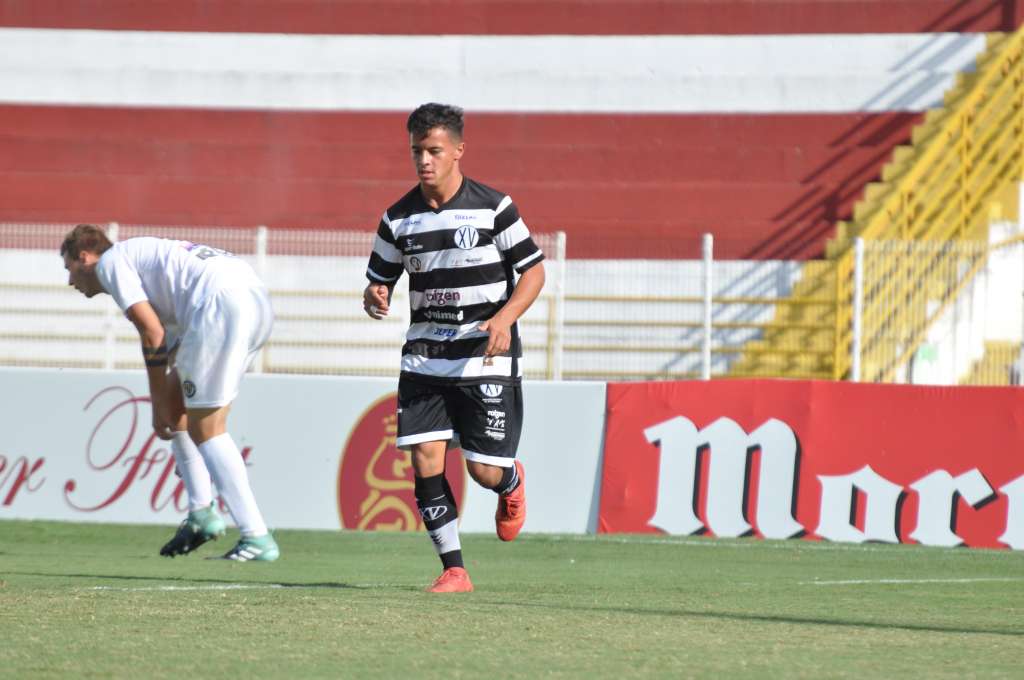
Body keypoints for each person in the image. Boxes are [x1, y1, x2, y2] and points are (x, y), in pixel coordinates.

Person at [363, 103, 546, 593]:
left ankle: (509, 483)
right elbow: (379, 279)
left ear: (458, 152)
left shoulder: (493, 207)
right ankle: (454, 568)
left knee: (484, 472)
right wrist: (375, 295)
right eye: (417, 151)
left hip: (484, 355)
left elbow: (534, 271)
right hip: (425, 358)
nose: (424, 160)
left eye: (434, 151)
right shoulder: (397, 219)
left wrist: (505, 318)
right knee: (425, 458)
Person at [61, 224, 279, 562]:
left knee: (207, 428)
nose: (71, 281)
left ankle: (255, 537)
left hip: (222, 303)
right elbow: (173, 349)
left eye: (69, 269)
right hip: (254, 299)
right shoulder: (152, 270)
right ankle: (201, 513)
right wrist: (167, 402)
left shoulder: (111, 263)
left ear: (84, 257)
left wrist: (156, 403)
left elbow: (152, 334)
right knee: (182, 411)